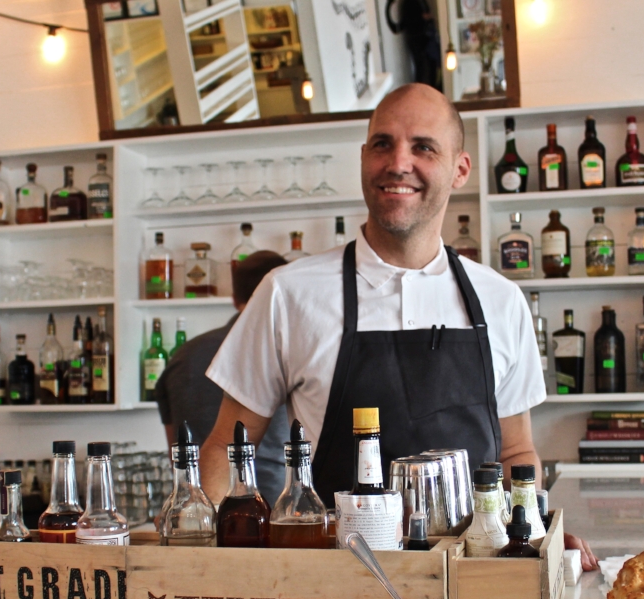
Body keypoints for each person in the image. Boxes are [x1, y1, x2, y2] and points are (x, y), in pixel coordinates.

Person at [201, 84, 597, 569]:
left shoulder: (500, 300)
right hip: (332, 582)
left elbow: (516, 450)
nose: (398, 163)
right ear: (364, 157)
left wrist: (535, 534)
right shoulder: (289, 293)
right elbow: (226, 444)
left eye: (423, 147)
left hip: (474, 579)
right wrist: (225, 555)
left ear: (460, 169)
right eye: (383, 144)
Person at [154, 251, 290, 506]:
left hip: (198, 509)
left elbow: (177, 450)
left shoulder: (182, 356)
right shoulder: (287, 349)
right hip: (276, 510)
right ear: (284, 294)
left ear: (234, 297)